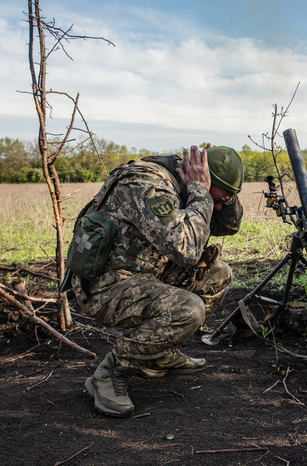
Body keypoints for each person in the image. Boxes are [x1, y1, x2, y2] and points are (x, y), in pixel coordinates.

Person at [67, 144, 244, 418]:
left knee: (218, 274)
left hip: (144, 274)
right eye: (217, 199)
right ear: (198, 179)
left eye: (223, 201)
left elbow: (228, 227)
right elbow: (186, 250)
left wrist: (222, 198)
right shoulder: (148, 184)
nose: (217, 206)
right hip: (106, 285)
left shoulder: (188, 186)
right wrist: (200, 191)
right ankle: (111, 371)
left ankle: (159, 353)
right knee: (188, 309)